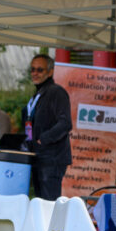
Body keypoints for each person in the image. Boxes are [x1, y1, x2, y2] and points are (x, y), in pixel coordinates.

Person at [21, 54, 72, 201]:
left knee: (49, 204)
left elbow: (65, 123)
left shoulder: (57, 92)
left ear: (50, 72)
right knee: (40, 203)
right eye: (32, 70)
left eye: (39, 70)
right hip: (38, 157)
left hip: (52, 158)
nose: (35, 73)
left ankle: (52, 225)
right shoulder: (38, 94)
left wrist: (42, 139)